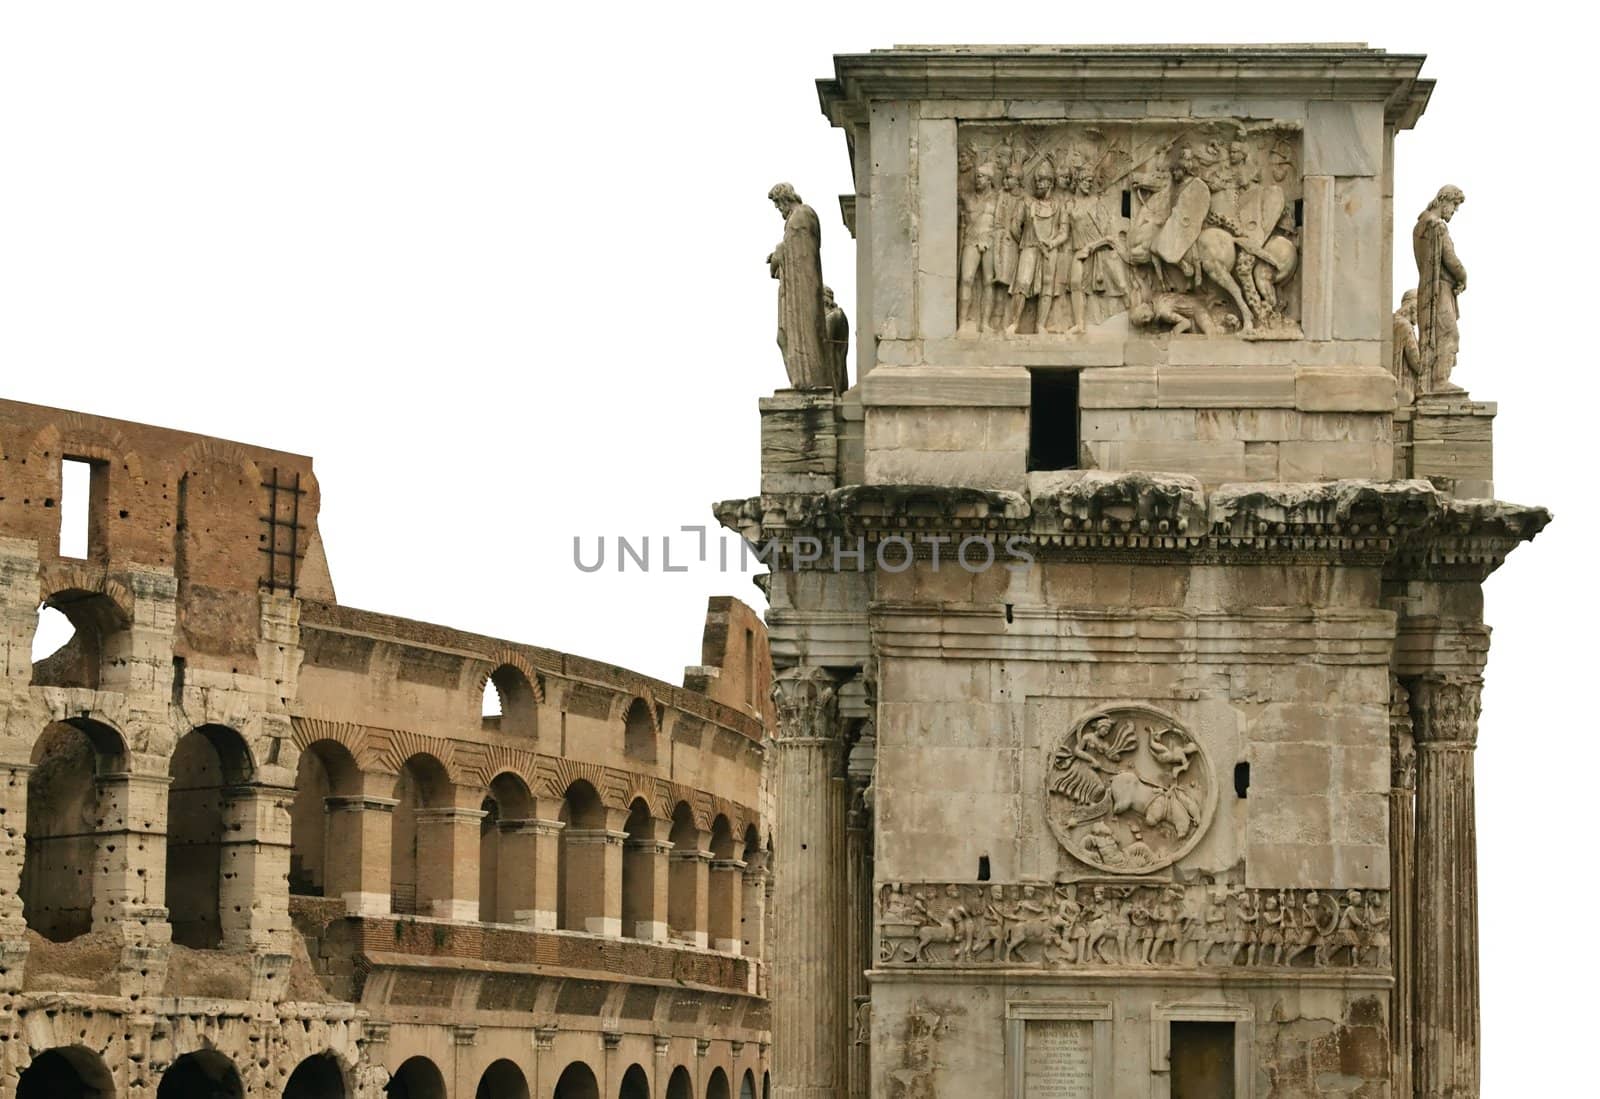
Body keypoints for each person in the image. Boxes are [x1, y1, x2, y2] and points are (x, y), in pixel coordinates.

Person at [767, 182, 833, 390]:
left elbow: (803, 255)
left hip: (801, 291)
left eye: (778, 205)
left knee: (794, 334)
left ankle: (807, 379)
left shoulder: (802, 215)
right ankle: (800, 379)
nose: (779, 211)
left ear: (785, 199)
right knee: (783, 336)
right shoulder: (796, 219)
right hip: (791, 290)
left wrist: (780, 252)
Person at [1413, 185, 1467, 393]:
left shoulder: (1420, 226)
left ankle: (1434, 380)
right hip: (1440, 288)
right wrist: (1463, 276)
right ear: (1444, 200)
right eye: (1454, 205)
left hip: (1426, 288)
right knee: (1449, 334)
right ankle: (1439, 380)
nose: (1454, 211)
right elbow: (1450, 259)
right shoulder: (1437, 226)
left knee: (1435, 334)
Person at [958, 165, 1000, 334]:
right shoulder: (968, 198)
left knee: (988, 282)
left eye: (981, 176)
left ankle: (985, 323)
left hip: (990, 240)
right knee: (966, 279)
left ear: (989, 180)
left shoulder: (998, 198)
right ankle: (962, 322)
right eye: (977, 176)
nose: (978, 179)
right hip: (971, 239)